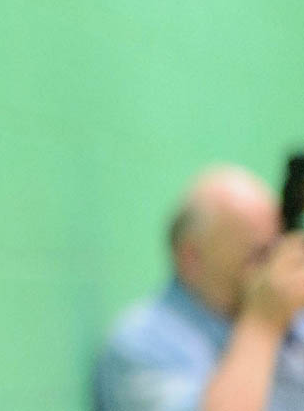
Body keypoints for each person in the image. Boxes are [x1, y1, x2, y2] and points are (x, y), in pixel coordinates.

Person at [95, 165, 304, 411]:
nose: (272, 272)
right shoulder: (141, 345)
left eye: (275, 251)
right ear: (191, 257)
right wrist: (262, 325)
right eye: (258, 256)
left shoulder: (290, 324)